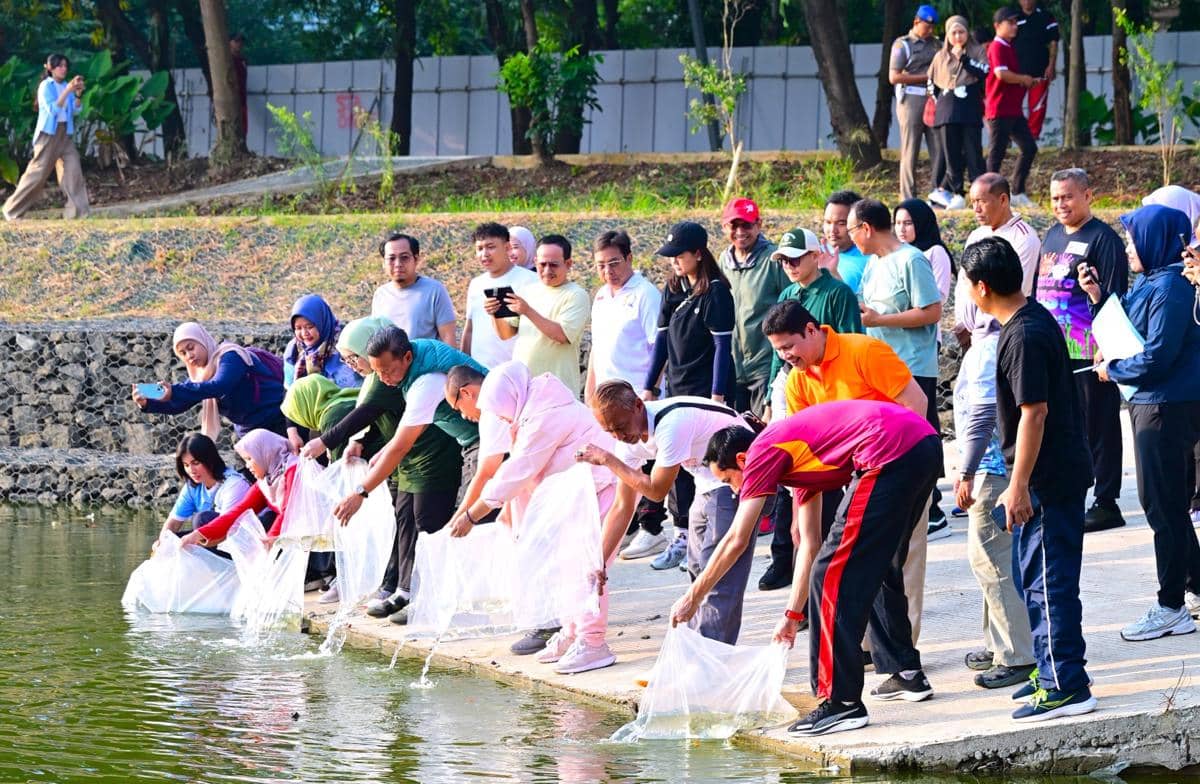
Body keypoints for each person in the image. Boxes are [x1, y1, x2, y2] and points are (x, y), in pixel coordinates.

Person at [675, 400, 940, 737]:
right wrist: (791, 615)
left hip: (887, 450)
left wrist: (693, 597)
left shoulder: (762, 451)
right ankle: (906, 672)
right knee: (876, 562)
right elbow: (809, 543)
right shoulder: (795, 456)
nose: (735, 490)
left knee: (829, 576)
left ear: (742, 460)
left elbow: (736, 539)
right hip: (922, 444)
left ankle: (840, 702)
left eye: (729, 480)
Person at [961, 236, 1096, 722]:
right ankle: (1050, 667)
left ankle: (1066, 686)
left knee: (1048, 584)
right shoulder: (1028, 321)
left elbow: (1033, 413)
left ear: (981, 287)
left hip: (1049, 480)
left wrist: (1018, 486)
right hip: (1048, 475)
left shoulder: (1023, 335)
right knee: (1031, 577)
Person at [766, 301, 934, 640]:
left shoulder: (864, 351)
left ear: (811, 330)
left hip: (902, 466)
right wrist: (800, 513)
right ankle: (875, 647)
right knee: (866, 562)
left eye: (789, 346)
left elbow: (917, 404)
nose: (785, 356)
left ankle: (903, 650)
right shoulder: (797, 381)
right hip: (860, 481)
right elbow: (806, 449)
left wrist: (900, 471)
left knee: (900, 559)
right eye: (778, 350)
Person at [448, 362, 624, 674]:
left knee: (587, 567)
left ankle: (593, 642)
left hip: (600, 488)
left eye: (499, 411)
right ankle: (572, 632)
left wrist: (472, 515)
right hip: (578, 494)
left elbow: (518, 471)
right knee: (566, 566)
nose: (501, 418)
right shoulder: (531, 410)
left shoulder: (545, 414)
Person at [1078, 205, 1200, 641]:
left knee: (1162, 506)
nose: (1128, 248)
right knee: (1165, 503)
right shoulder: (1151, 281)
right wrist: (1097, 298)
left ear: (1155, 239)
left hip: (1166, 406)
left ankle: (1171, 607)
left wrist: (1115, 369)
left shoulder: (1172, 288)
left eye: (1133, 240)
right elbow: (1126, 327)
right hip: (1149, 402)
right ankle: (1194, 588)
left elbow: (1158, 355)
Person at [303, 316, 465, 617]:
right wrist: (367, 444)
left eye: (354, 357)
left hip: (434, 452)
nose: (353, 365)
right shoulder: (387, 374)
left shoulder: (421, 380)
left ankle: (428, 596)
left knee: (427, 522)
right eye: (347, 359)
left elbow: (370, 416)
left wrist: (357, 487)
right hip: (409, 456)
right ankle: (404, 589)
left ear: (405, 358)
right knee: (406, 518)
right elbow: (382, 422)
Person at [579, 381, 754, 644]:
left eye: (621, 427)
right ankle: (699, 645)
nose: (618, 436)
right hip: (706, 482)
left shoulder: (672, 424)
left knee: (719, 574)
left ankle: (710, 653)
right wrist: (599, 562)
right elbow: (622, 506)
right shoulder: (626, 440)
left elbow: (656, 491)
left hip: (738, 478)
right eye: (609, 431)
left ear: (639, 405)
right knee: (697, 568)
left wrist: (608, 460)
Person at [759, 229, 863, 591]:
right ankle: (784, 555)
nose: (789, 266)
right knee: (788, 466)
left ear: (815, 256)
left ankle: (820, 558)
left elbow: (851, 339)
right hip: (790, 385)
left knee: (823, 470)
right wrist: (771, 397)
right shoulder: (786, 294)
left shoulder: (837, 293)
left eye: (795, 258)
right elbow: (779, 354)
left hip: (827, 389)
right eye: (784, 260)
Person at [1038, 168, 1128, 532]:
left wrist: (1106, 345)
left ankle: (1107, 501)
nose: (1061, 204)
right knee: (1062, 423)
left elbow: (1116, 296)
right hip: (1055, 349)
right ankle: (1069, 489)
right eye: (1055, 198)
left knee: (1099, 424)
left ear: (1088, 195)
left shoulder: (1104, 239)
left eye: (1068, 196)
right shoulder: (1052, 235)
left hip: (1090, 350)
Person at [851, 199, 946, 540]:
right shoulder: (874, 263)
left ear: (866, 228)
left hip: (912, 365)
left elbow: (932, 311)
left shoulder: (911, 259)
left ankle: (930, 511)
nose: (851, 238)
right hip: (881, 366)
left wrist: (881, 320)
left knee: (916, 439)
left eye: (852, 229)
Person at [951, 320, 1036, 689]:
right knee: (992, 560)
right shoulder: (1003, 340)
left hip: (991, 469)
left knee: (994, 562)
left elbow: (984, 415)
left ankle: (1017, 654)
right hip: (997, 467)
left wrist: (966, 470)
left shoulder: (988, 349)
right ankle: (999, 642)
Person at [644, 221, 737, 554]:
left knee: (711, 463)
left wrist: (717, 397)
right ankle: (682, 533)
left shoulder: (716, 292)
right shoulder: (674, 287)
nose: (674, 262)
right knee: (677, 462)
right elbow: (661, 341)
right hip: (677, 388)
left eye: (679, 255)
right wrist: (650, 386)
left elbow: (722, 348)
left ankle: (716, 531)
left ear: (698, 253)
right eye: (670, 256)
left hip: (706, 390)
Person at [584, 230, 672, 563]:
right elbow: (597, 347)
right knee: (622, 459)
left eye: (615, 263)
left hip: (638, 394)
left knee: (649, 458)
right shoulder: (601, 297)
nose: (608, 271)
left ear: (630, 258)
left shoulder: (645, 294)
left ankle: (653, 527)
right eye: (601, 265)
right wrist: (590, 389)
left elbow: (658, 347)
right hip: (607, 395)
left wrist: (650, 390)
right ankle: (631, 526)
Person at [133, 322, 286, 440]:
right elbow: (180, 402)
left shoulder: (230, 356)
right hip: (249, 433)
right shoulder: (202, 376)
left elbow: (219, 386)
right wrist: (147, 402)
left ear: (203, 340)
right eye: (183, 353)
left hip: (276, 420)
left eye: (191, 347)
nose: (189, 356)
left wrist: (174, 391)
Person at [491, 234, 590, 394]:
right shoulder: (528, 291)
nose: (547, 270)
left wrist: (528, 311)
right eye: (542, 264)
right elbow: (506, 333)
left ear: (568, 264)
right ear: (535, 262)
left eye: (554, 265)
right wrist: (495, 313)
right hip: (524, 387)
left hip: (557, 390)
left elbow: (562, 335)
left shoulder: (576, 295)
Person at [719, 197, 787, 415]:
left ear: (759, 224)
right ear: (724, 227)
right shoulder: (723, 261)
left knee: (762, 429)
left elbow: (790, 307)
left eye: (746, 225)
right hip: (733, 367)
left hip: (764, 365)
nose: (740, 232)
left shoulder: (773, 260)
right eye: (734, 225)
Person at [954, 173, 1040, 347]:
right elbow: (963, 282)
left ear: (1003, 200)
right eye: (973, 202)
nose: (976, 209)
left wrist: (978, 328)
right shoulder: (977, 234)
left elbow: (1013, 292)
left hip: (1001, 336)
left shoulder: (1024, 239)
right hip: (971, 336)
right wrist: (961, 322)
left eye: (982, 201)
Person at [2, 54, 89, 221]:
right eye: (59, 66)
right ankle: (11, 210)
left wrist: (77, 94)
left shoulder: (65, 85)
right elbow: (53, 110)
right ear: (50, 68)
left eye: (65, 66)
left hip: (65, 134)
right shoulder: (45, 86)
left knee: (74, 171)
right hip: (48, 135)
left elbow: (76, 110)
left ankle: (77, 214)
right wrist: (68, 90)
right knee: (38, 174)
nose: (63, 69)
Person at [179, 429, 298, 548]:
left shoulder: (293, 471)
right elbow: (239, 512)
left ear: (265, 454)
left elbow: (289, 511)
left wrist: (271, 540)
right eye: (245, 460)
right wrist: (198, 534)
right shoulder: (265, 482)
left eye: (250, 459)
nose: (247, 466)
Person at [926, 16, 988, 209]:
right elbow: (931, 83)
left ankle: (980, 195)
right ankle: (956, 193)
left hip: (969, 108)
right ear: (947, 35)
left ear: (967, 32)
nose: (958, 36)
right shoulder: (940, 56)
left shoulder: (977, 51)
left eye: (961, 32)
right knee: (951, 154)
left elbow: (984, 71)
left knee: (973, 153)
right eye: (953, 33)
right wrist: (943, 98)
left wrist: (964, 58)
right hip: (947, 111)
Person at [462, 222, 537, 369]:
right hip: (479, 370)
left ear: (507, 247)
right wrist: (463, 365)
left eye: (491, 247)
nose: (485, 254)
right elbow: (469, 328)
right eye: (479, 248)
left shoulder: (530, 281)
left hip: (516, 370)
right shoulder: (476, 284)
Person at [985, 7, 1039, 209]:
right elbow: (1001, 74)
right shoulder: (997, 46)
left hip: (1013, 110)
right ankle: (987, 196)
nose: (1015, 26)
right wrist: (1023, 79)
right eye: (1010, 23)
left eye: (1016, 23)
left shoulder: (1008, 46)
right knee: (996, 154)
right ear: (997, 26)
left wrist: (1025, 81)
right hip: (1000, 109)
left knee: (1029, 148)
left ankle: (1017, 191)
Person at [889, 5, 943, 203]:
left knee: (938, 147)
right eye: (927, 26)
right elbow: (894, 76)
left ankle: (938, 193)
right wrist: (926, 76)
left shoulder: (937, 44)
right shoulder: (902, 44)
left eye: (932, 27)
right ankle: (908, 197)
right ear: (916, 22)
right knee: (910, 149)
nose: (930, 30)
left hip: (933, 97)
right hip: (911, 98)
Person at [370, 232, 457, 346]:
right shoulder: (380, 294)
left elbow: (448, 337)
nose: (398, 264)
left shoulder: (434, 291)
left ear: (416, 260)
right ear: (383, 263)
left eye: (404, 257)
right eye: (391, 258)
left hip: (425, 358)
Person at [160, 433, 251, 540]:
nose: (191, 470)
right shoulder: (192, 486)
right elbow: (173, 523)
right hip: (210, 538)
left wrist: (190, 541)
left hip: (235, 539)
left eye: (196, 463)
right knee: (169, 540)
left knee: (201, 520)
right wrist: (161, 543)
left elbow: (227, 529)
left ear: (209, 459)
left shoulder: (234, 485)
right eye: (186, 465)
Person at [283, 294, 359, 390]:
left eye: (309, 327)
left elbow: (354, 391)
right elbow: (291, 391)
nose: (304, 333)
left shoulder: (343, 349)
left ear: (323, 323)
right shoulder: (294, 351)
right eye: (298, 328)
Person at [1012, 0, 1058, 140]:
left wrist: (1051, 65)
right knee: (1011, 106)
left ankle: (1031, 140)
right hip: (1016, 73)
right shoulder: (1013, 18)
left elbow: (1054, 42)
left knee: (1038, 107)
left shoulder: (1046, 17)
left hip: (1040, 70)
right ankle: (1012, 137)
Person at [893, 199, 954, 302]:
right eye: (898, 223)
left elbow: (940, 295)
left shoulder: (935, 252)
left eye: (908, 223)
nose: (901, 229)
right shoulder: (896, 252)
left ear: (921, 223)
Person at [821, 190, 869, 294]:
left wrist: (834, 274)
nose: (833, 230)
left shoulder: (871, 261)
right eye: (828, 222)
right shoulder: (814, 254)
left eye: (841, 223)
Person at [230, 33, 249, 139]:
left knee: (244, 126)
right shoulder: (227, 60)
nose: (239, 44)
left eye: (241, 42)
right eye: (236, 41)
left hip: (242, 98)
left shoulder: (243, 60)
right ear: (230, 43)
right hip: (231, 99)